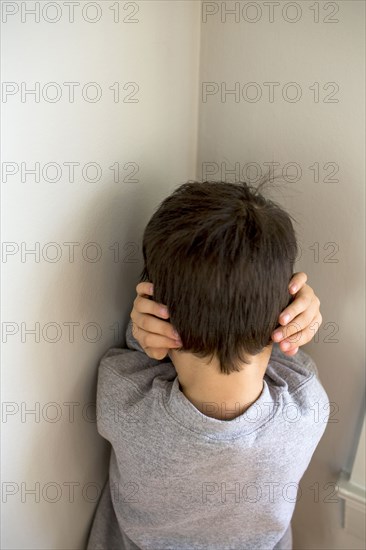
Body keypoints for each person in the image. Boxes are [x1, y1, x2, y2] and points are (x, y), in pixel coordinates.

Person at [87, 180, 328, 550]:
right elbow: (287, 351)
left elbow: (139, 349)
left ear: (158, 313)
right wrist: (294, 317)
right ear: (284, 312)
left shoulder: (124, 396)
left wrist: (140, 331)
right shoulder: (307, 404)